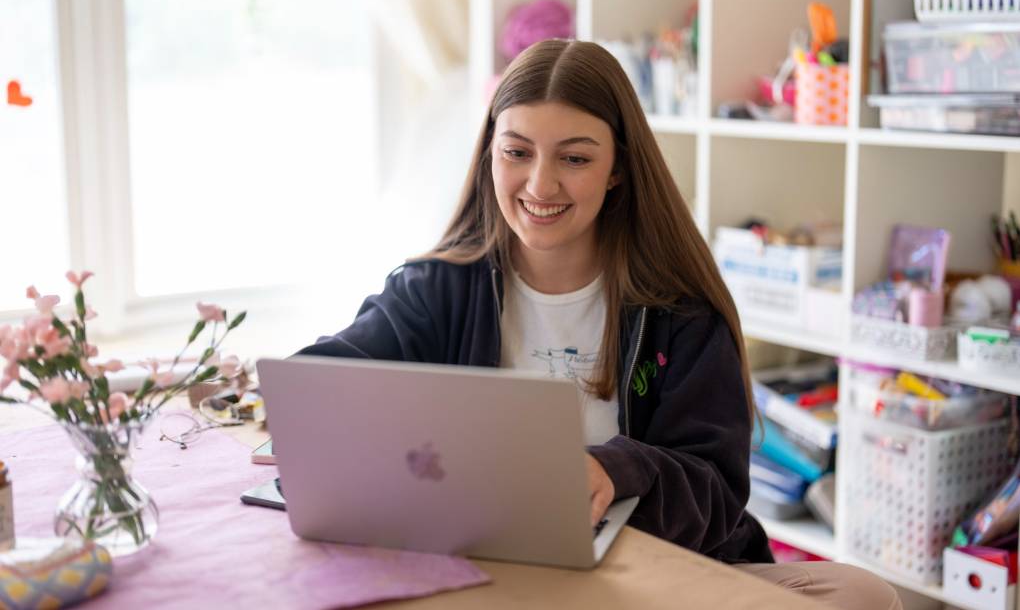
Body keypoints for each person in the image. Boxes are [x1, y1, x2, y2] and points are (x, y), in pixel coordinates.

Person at [298, 39, 902, 610]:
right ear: (490, 154)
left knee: (864, 595)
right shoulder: (437, 289)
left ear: (617, 169)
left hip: (652, 570)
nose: (540, 184)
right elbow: (330, 378)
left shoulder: (681, 312)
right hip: (488, 568)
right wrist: (299, 390)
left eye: (575, 158)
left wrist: (616, 469)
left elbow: (717, 493)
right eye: (516, 152)